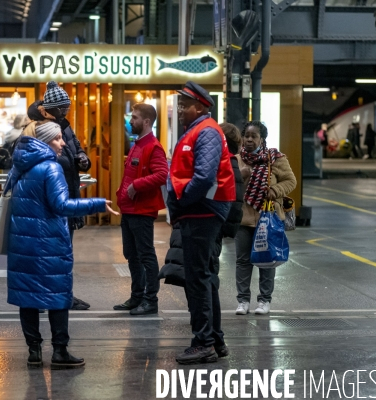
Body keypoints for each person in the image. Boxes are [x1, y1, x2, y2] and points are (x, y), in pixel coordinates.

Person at [7, 122, 119, 369]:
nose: (63, 143)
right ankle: (60, 351)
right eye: (58, 139)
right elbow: (61, 206)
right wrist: (96, 204)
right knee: (58, 294)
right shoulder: (51, 167)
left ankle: (34, 351)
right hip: (49, 241)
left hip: (23, 241)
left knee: (28, 296)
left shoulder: (20, 165)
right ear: (46, 141)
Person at [167, 81, 236, 365]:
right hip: (201, 212)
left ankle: (203, 342)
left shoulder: (205, 131)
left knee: (197, 279)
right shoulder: (199, 131)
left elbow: (205, 177)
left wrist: (181, 201)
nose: (179, 110)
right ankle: (215, 339)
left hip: (202, 212)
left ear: (201, 107)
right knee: (204, 278)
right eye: (179, 106)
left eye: (184, 106)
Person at [29, 82, 93, 310]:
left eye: (67, 106)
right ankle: (50, 296)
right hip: (54, 200)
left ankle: (62, 294)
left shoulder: (65, 126)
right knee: (52, 252)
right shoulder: (43, 129)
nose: (65, 111)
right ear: (51, 108)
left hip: (67, 195)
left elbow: (76, 147)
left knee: (63, 252)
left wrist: (83, 158)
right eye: (62, 108)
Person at [235, 121, 296, 316]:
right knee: (243, 260)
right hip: (243, 218)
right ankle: (243, 301)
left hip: (268, 217)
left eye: (254, 136)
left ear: (262, 139)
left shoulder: (276, 159)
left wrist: (274, 190)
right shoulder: (237, 160)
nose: (250, 140)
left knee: (267, 259)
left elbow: (290, 181)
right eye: (247, 136)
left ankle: (264, 301)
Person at [114, 103, 168, 315]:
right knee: (131, 254)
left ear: (146, 122)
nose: (131, 121)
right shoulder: (137, 144)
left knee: (145, 255)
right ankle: (137, 297)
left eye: (135, 118)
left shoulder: (153, 147)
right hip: (129, 210)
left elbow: (162, 174)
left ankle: (150, 300)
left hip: (141, 211)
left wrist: (136, 186)